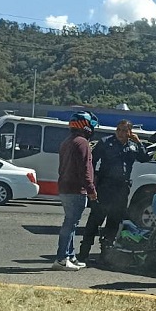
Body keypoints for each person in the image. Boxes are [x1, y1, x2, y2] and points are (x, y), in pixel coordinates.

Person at [76, 119, 152, 263]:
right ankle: (83, 253)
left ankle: (105, 255)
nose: (121, 133)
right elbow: (91, 161)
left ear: (130, 132)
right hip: (105, 187)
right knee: (94, 221)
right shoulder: (106, 142)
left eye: (125, 130)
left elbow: (145, 158)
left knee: (113, 223)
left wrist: (138, 142)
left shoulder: (132, 146)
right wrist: (93, 179)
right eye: (119, 130)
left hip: (121, 190)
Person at [52, 111, 99, 271]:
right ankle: (61, 258)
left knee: (71, 222)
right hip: (76, 190)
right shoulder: (82, 143)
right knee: (70, 224)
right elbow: (85, 170)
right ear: (85, 125)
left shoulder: (67, 142)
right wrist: (91, 189)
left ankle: (70, 256)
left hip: (64, 188)